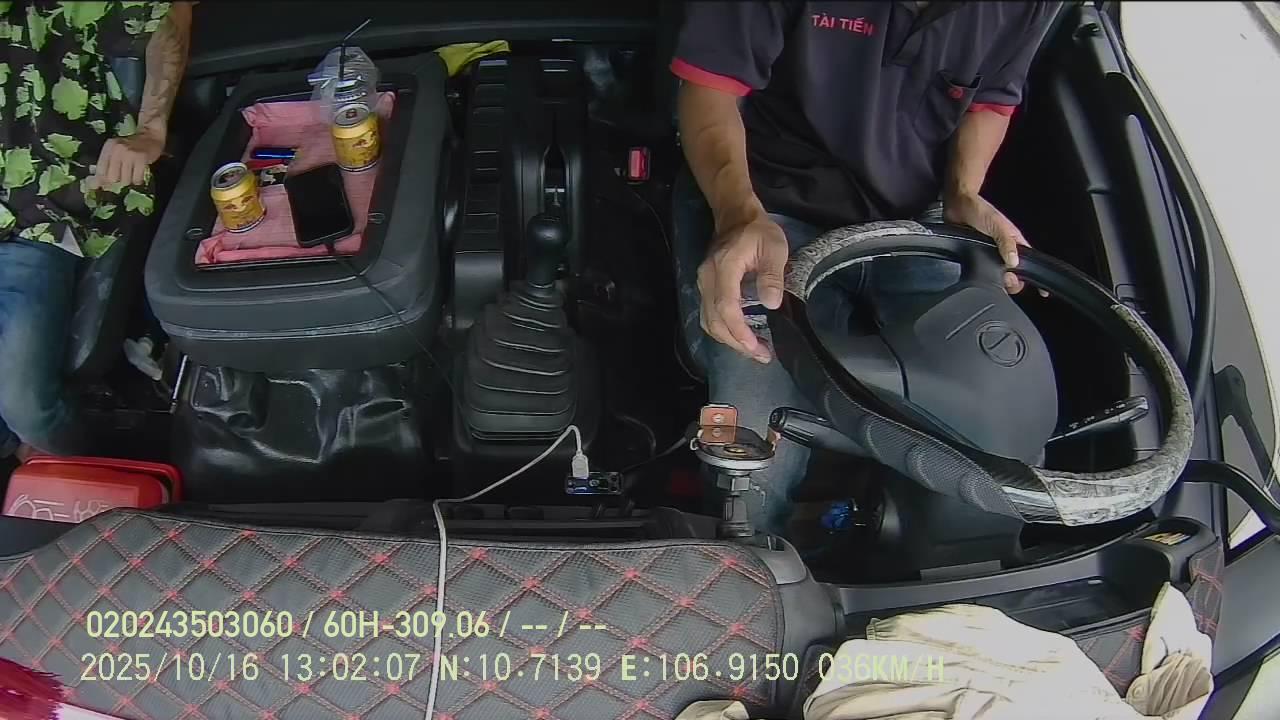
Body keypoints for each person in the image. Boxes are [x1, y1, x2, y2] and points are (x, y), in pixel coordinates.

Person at [671, 2, 1061, 534]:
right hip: (766, 205)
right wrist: (738, 215)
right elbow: (711, 87)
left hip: (915, 221)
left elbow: (992, 101)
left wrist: (963, 193)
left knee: (997, 434)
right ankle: (749, 566)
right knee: (754, 459)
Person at [0, 1, 192, 461]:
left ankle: (98, 472)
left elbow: (171, 12)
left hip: (37, 215)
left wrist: (151, 130)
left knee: (26, 406)